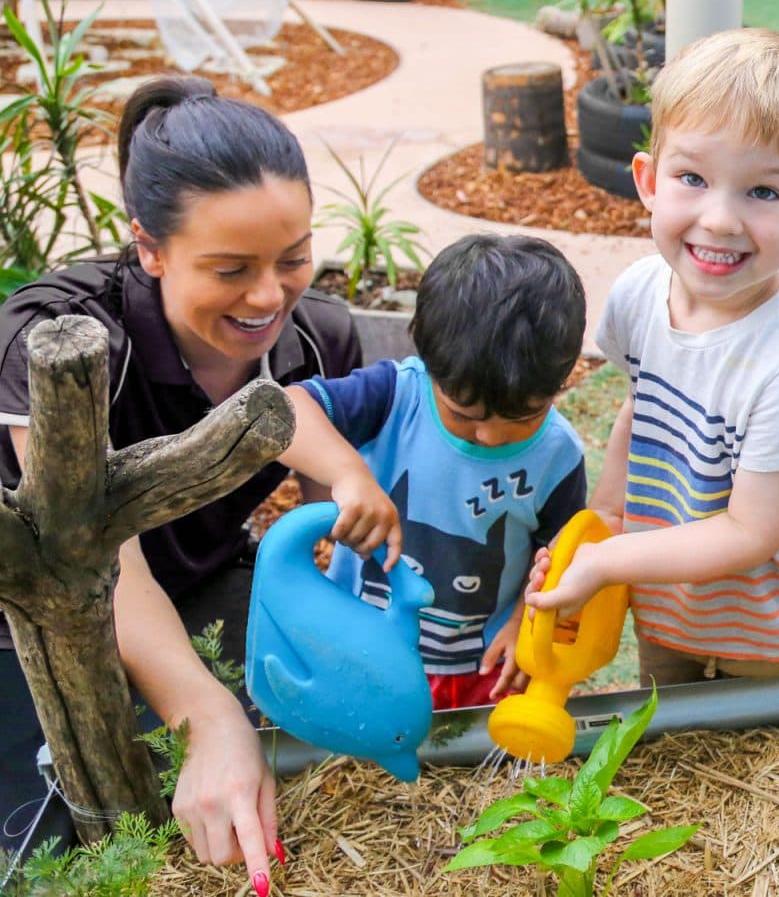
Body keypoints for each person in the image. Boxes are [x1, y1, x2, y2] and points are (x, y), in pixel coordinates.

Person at [0, 78, 360, 889]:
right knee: (51, 845)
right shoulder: (59, 341)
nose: (270, 295)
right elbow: (95, 562)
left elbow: (330, 530)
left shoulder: (321, 339)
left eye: (294, 256)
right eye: (230, 268)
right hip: (35, 620)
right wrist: (206, 717)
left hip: (201, 587)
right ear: (149, 246)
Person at [525, 28, 779, 686]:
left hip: (774, 641)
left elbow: (750, 532)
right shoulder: (638, 296)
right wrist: (606, 525)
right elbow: (638, 411)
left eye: (763, 191)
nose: (721, 218)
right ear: (648, 179)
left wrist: (610, 562)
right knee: (670, 763)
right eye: (693, 178)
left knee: (768, 784)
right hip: (670, 612)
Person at [279, 233, 587, 710]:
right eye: (463, 415)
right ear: (429, 363)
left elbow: (561, 553)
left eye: (522, 418)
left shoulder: (557, 455)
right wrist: (349, 474)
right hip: (362, 647)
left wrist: (525, 618)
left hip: (483, 666)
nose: (487, 436)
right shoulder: (395, 397)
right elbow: (287, 410)